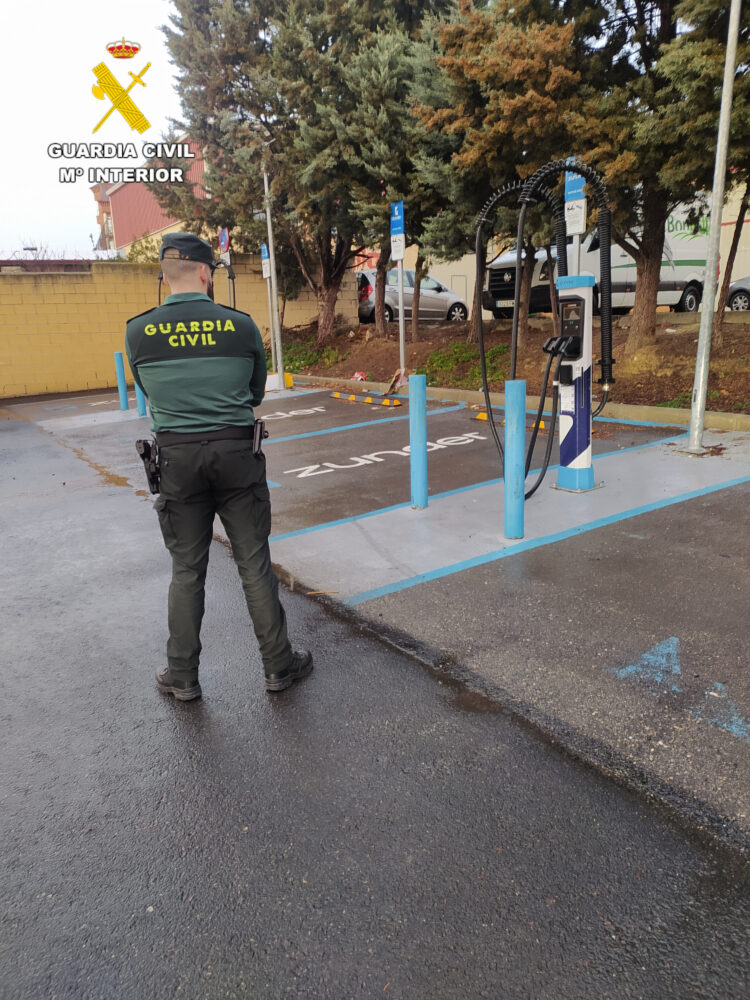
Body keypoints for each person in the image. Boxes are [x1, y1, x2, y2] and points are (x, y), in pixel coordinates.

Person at [125, 232, 312, 701]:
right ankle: (277, 667)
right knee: (254, 564)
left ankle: (182, 676)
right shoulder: (241, 326)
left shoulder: (138, 330)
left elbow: (147, 391)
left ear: (164, 277)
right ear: (206, 273)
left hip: (177, 460)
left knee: (187, 570)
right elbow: (254, 393)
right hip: (236, 456)